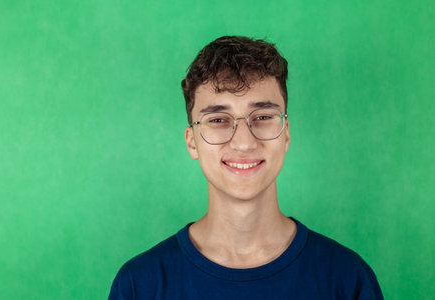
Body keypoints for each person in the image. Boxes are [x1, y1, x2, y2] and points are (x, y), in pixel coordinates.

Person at [108, 36, 383, 299]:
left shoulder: (348, 280)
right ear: (192, 142)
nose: (243, 143)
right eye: (218, 120)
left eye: (262, 116)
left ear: (286, 134)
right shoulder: (139, 285)